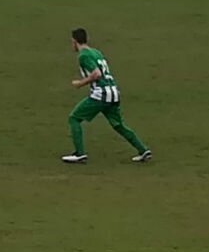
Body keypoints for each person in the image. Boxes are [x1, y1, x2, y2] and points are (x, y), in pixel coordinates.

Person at [62, 28, 152, 164]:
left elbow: (97, 73)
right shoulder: (96, 52)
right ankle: (143, 149)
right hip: (113, 92)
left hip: (101, 94)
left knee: (74, 118)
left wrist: (80, 83)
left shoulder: (83, 56)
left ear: (74, 41)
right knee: (118, 125)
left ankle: (79, 154)